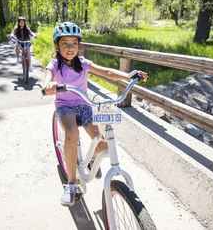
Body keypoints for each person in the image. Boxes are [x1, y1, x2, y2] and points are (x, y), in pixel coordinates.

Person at [42, 21, 148, 207]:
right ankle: (72, 183)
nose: (70, 47)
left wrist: (129, 76)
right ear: (56, 45)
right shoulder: (54, 64)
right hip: (65, 106)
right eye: (65, 43)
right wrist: (48, 85)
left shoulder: (83, 64)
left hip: (84, 104)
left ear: (79, 46)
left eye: (74, 43)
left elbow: (106, 72)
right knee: (72, 133)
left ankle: (91, 160)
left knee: (102, 142)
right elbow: (48, 77)